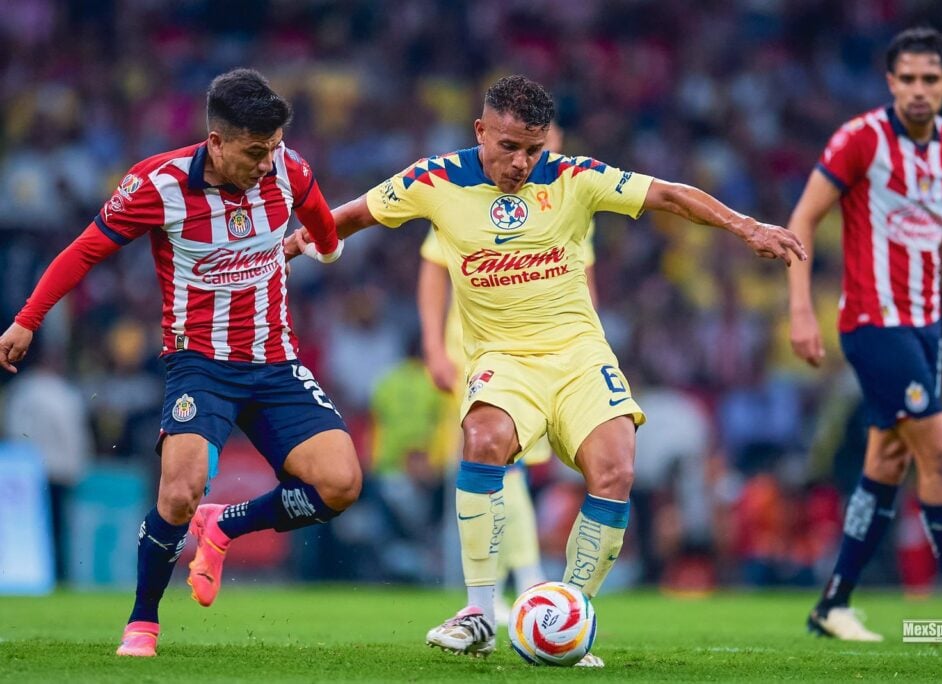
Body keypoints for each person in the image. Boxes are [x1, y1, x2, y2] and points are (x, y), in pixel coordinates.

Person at [291, 74, 804, 662]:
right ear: (480, 130)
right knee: (482, 438)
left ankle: (568, 616)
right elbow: (352, 216)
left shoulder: (572, 177)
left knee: (615, 470)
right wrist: (285, 249)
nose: (521, 161)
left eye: (533, 149)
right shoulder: (432, 179)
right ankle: (480, 611)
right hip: (504, 359)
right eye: (508, 147)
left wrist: (749, 226)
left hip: (581, 355)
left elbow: (668, 194)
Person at [0, 68, 363, 657]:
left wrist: (317, 245)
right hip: (201, 366)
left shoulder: (288, 170)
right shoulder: (157, 183)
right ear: (216, 142)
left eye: (273, 149)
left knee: (341, 484)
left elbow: (321, 219)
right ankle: (142, 621)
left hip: (275, 363)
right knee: (178, 493)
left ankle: (226, 525)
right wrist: (27, 319)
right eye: (254, 151)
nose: (266, 164)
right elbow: (86, 249)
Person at [786, 27, 942, 641]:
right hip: (872, 322)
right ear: (891, 83)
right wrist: (801, 311)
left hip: (927, 327)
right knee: (939, 450)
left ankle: (832, 603)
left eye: (929, 80)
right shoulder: (861, 139)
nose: (917, 90)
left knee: (888, 458)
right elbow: (802, 219)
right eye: (906, 79)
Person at [417, 122, 599, 627]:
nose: (531, 162)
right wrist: (434, 345)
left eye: (543, 150)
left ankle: (514, 584)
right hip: (479, 349)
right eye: (521, 149)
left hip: (552, 353)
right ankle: (524, 581)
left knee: (508, 466)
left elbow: (584, 281)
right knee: (504, 462)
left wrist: (590, 350)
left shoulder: (571, 193)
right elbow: (433, 269)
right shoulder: (465, 193)